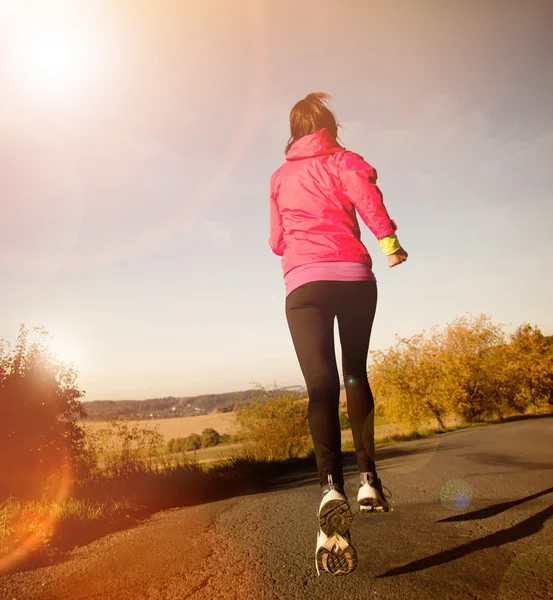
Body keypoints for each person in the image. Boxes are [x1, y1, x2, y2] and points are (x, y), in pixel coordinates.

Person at [268, 93, 408, 576]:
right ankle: (368, 477)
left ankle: (331, 485)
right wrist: (388, 240)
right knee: (354, 374)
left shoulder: (280, 176)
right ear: (328, 126)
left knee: (320, 388)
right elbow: (366, 194)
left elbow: (275, 241)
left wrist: (299, 240)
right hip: (352, 275)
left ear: (293, 130)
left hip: (303, 283)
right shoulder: (343, 160)